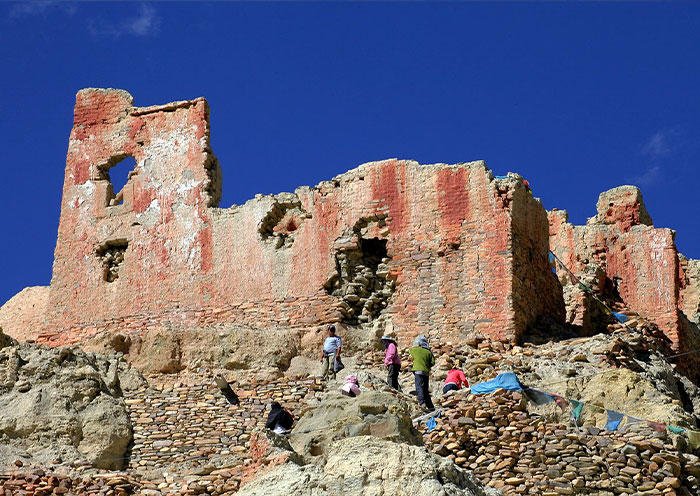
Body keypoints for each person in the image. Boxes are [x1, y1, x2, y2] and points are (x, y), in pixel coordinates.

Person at [409, 335, 435, 412]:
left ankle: (422, 403)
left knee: (419, 387)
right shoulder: (428, 352)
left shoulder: (415, 350)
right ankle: (431, 407)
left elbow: (410, 355)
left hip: (418, 371)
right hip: (426, 372)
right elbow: (433, 362)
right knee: (425, 389)